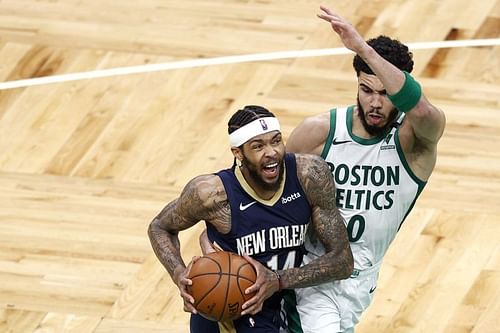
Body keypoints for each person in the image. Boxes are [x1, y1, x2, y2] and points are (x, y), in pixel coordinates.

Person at [284, 6, 446, 333]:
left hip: (362, 282)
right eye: (366, 89)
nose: (374, 103)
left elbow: (424, 111)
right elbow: (266, 195)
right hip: (313, 275)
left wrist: (363, 49)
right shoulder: (320, 133)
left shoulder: (415, 141)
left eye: (385, 94)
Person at [148, 105, 354, 333]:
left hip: (278, 302)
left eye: (276, 141)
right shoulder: (210, 194)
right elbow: (159, 227)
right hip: (222, 309)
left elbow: (343, 262)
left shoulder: (309, 175)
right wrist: (179, 274)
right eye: (258, 146)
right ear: (238, 153)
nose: (272, 152)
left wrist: (277, 280)